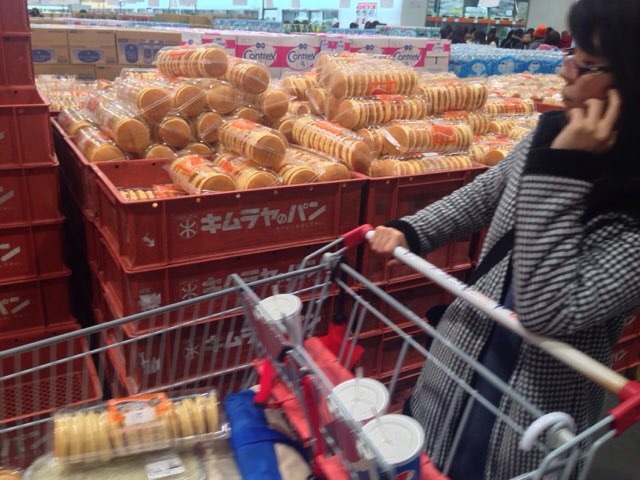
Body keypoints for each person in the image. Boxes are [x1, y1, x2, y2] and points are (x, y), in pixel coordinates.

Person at [369, 0, 640, 478]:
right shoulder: (550, 134)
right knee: (431, 451)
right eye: (570, 54)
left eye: (585, 63)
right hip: (464, 350)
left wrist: (566, 168)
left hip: (535, 407)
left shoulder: (624, 204)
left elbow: (546, 308)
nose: (564, 70)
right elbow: (486, 193)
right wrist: (414, 230)